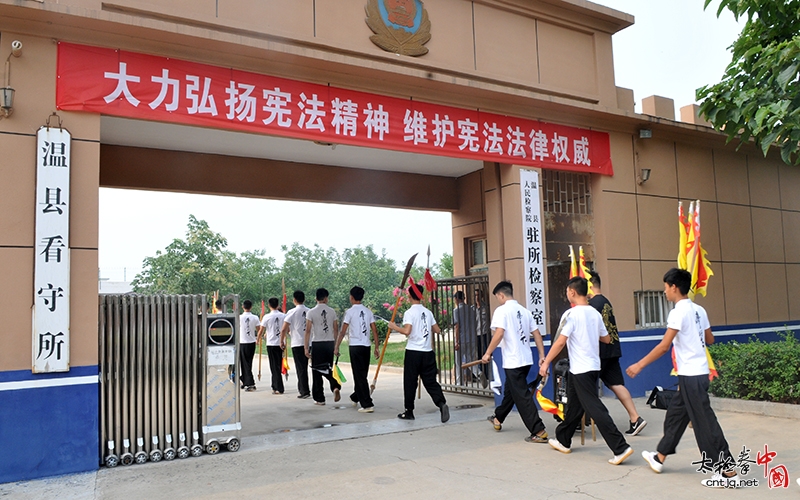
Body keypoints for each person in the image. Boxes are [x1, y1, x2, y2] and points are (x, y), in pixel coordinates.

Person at [626, 268, 738, 488]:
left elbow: (664, 346)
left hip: (691, 375)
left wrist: (640, 364)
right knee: (676, 416)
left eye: (666, 287)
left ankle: (727, 470)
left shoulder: (677, 312)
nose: (665, 291)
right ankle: (660, 457)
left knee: (704, 423)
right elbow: (710, 339)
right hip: (696, 373)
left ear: (674, 287)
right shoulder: (699, 310)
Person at [539, 277, 633, 465]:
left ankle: (620, 447)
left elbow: (560, 342)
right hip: (592, 367)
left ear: (572, 292)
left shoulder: (572, 315)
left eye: (567, 292)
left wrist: (546, 362)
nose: (567, 295)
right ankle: (563, 439)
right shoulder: (594, 314)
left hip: (581, 368)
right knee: (574, 404)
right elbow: (606, 339)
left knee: (595, 408)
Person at [480, 281, 548, 443]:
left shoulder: (501, 311)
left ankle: (538, 430)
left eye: (498, 297)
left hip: (513, 361)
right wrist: (541, 356)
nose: (498, 300)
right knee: (511, 391)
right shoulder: (525, 312)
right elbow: (537, 334)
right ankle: (498, 418)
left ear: (501, 295)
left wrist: (488, 353)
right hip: (526, 360)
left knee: (522, 396)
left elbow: (499, 333)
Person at [587, 271, 647, 436]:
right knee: (616, 384)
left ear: (589, 285)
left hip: (599, 351)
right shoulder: (606, 302)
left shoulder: (592, 305)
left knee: (583, 386)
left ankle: (579, 420)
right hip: (612, 349)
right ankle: (635, 418)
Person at [387, 283, 449, 423]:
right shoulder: (428, 312)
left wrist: (394, 327)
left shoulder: (410, 313)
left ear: (409, 296)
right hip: (428, 352)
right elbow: (437, 329)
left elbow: (407, 331)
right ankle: (441, 403)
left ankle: (409, 411)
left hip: (413, 352)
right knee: (431, 382)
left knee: (410, 382)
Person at [336, 286, 380, 413]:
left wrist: (337, 345)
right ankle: (356, 397)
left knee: (359, 375)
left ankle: (367, 404)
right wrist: (376, 346)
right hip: (366, 346)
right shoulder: (368, 312)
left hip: (355, 346)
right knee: (362, 374)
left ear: (351, 297)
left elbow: (343, 331)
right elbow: (374, 330)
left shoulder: (350, 312)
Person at [305, 288, 342, 406]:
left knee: (316, 371)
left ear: (316, 298)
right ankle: (335, 386)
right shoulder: (332, 312)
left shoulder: (311, 312)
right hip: (329, 343)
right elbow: (336, 329)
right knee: (328, 368)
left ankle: (320, 399)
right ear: (326, 298)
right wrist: (336, 346)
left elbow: (308, 331)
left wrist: (306, 347)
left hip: (317, 343)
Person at [280, 291, 311, 399]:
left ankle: (304, 390)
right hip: (309, 343)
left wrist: (281, 341)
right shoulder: (309, 311)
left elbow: (284, 328)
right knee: (306, 367)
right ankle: (305, 389)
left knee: (300, 368)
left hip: (297, 343)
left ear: (294, 300)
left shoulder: (292, 312)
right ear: (304, 299)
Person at [258, 297, 286, 395]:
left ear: (269, 305)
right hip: (281, 343)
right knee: (277, 364)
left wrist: (258, 339)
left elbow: (261, 330)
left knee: (274, 366)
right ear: (278, 305)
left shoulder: (267, 317)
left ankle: (278, 387)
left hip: (271, 344)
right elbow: (287, 328)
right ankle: (275, 385)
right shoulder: (284, 316)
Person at [453, 290, 478, 385]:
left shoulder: (456, 311)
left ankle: (459, 382)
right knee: (470, 360)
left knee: (459, 362)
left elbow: (457, 327)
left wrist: (457, 341)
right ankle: (478, 373)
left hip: (462, 340)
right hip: (472, 339)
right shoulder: (471, 309)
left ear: (456, 299)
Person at [238, 299, 260, 392]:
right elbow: (259, 329)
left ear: (243, 307)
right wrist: (258, 338)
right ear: (251, 307)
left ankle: (250, 383)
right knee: (247, 362)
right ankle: (244, 379)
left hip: (243, 342)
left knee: (245, 363)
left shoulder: (239, 317)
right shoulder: (255, 317)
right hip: (251, 342)